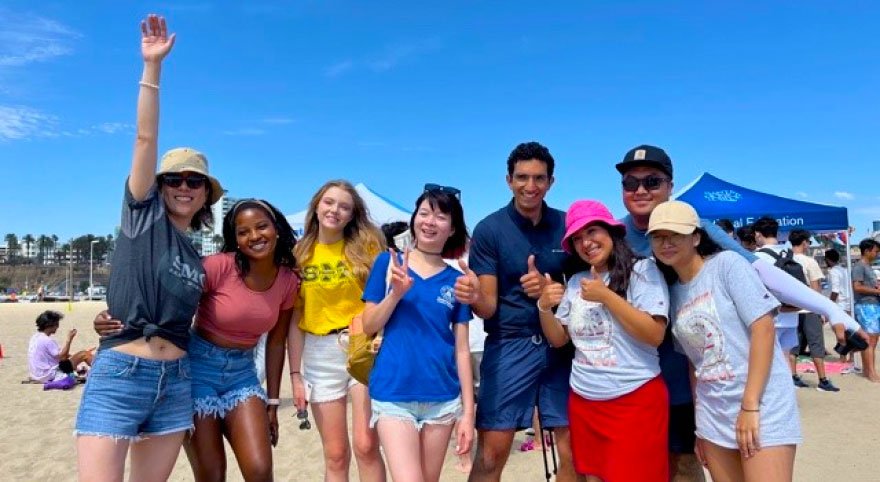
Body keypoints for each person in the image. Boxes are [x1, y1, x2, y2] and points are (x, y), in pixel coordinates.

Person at [612, 144, 862, 481]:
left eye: (652, 181)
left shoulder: (703, 235)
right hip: (654, 386)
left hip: (704, 392)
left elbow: (761, 272)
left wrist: (831, 309)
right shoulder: (611, 234)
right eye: (631, 183)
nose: (641, 190)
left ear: (671, 186)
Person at [75, 14, 224, 481]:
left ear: (205, 195)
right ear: (160, 186)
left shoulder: (196, 256)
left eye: (194, 182)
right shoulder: (143, 217)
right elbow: (144, 138)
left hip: (176, 382)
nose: (184, 187)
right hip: (121, 372)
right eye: (175, 180)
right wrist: (152, 69)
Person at [96, 199, 300, 481]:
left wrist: (274, 402)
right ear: (236, 240)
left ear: (276, 228)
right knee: (212, 474)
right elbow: (167, 295)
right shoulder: (219, 267)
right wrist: (115, 315)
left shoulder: (289, 280)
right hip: (195, 372)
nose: (254, 236)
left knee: (260, 470)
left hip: (242, 374)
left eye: (261, 227)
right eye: (243, 232)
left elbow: (277, 342)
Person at [455, 141, 581, 482]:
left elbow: (588, 282)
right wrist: (473, 295)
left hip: (561, 347)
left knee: (573, 454)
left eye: (539, 178)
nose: (531, 186)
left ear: (551, 182)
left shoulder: (567, 225)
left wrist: (553, 290)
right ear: (508, 180)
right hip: (510, 343)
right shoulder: (490, 229)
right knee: (492, 454)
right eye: (522, 177)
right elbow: (488, 306)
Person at [650, 201, 801, 482]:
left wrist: (750, 405)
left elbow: (764, 329)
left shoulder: (727, 265)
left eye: (675, 234)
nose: (666, 242)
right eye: (658, 236)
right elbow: (695, 365)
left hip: (761, 403)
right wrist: (699, 427)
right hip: (713, 413)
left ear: (696, 237)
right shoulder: (672, 292)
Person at [537, 200, 670, 481]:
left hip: (635, 399)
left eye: (592, 231)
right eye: (577, 238)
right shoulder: (576, 282)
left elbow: (654, 334)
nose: (586, 242)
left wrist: (606, 296)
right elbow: (559, 340)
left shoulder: (643, 271)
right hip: (585, 400)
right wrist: (544, 307)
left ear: (611, 232)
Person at [362, 186, 474, 482]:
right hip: (393, 393)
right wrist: (394, 294)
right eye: (423, 213)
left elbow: (462, 350)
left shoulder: (458, 280)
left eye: (440, 217)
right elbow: (369, 324)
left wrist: (469, 413)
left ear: (452, 229)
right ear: (413, 219)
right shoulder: (388, 264)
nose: (429, 222)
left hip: (443, 397)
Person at [288, 180, 387, 482]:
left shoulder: (367, 248)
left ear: (352, 214)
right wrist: (295, 376)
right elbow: (294, 318)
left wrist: (382, 334)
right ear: (316, 205)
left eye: (344, 206)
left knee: (367, 445)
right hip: (318, 353)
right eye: (329, 202)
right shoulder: (298, 254)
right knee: (335, 454)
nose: (335, 210)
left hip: (362, 346)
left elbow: (384, 298)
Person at [788, 229, 838, 392]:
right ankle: (822, 380)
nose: (809, 245)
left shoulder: (785, 260)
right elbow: (816, 291)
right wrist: (822, 311)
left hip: (790, 310)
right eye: (809, 242)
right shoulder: (810, 262)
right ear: (804, 242)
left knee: (793, 346)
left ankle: (793, 377)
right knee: (816, 345)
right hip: (809, 310)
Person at [28, 310, 93, 383]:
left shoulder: (35, 337)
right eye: (57, 324)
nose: (57, 327)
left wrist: (74, 357)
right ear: (50, 325)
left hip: (37, 374)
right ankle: (101, 372)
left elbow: (59, 355)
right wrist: (69, 339)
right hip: (49, 374)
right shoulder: (47, 340)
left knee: (80, 356)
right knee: (84, 354)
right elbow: (63, 358)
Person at [852, 238, 880, 382]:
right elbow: (857, 287)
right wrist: (877, 292)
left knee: (870, 340)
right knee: (871, 340)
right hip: (866, 306)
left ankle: (867, 370)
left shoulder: (867, 266)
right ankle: (871, 373)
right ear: (867, 251)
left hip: (871, 305)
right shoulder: (860, 266)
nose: (877, 254)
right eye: (875, 251)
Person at [825, 249, 855, 370]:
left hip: (839, 304)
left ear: (828, 259)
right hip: (849, 303)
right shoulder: (845, 270)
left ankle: (842, 358)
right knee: (850, 331)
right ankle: (851, 357)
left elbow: (835, 290)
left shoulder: (833, 271)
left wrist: (830, 304)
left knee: (840, 333)